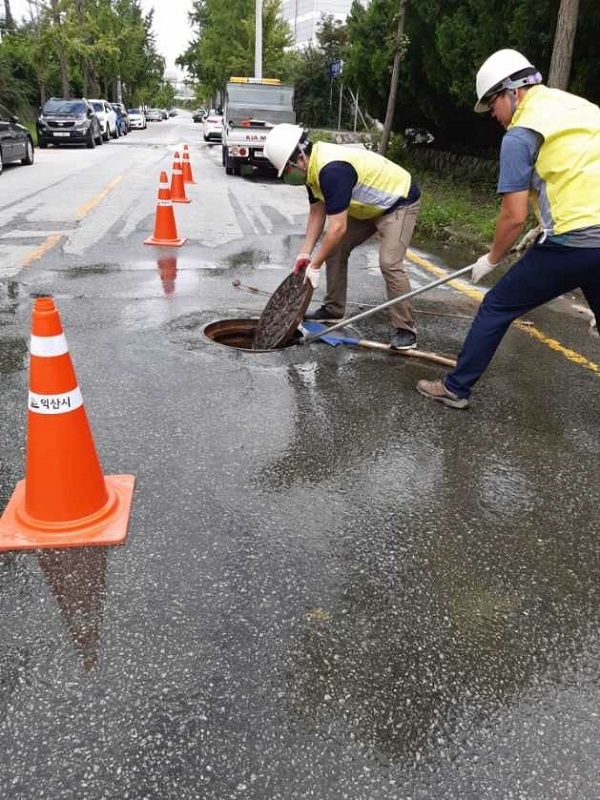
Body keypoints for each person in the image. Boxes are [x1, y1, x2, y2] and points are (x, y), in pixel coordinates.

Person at [417, 48, 600, 409]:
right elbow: (576, 174)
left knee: (496, 306)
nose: (493, 116)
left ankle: (456, 387)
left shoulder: (520, 134)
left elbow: (511, 216)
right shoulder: (579, 108)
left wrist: (493, 257)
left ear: (512, 91)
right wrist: (543, 224)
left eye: (492, 104)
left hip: (575, 242)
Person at [264, 124, 422, 350]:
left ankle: (406, 331)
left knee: (389, 262)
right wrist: (305, 253)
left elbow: (337, 227)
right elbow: (317, 214)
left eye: (286, 171)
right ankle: (333, 310)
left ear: (299, 158)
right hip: (367, 207)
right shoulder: (312, 171)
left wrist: (315, 265)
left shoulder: (332, 170)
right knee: (335, 248)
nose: (287, 177)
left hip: (398, 202)